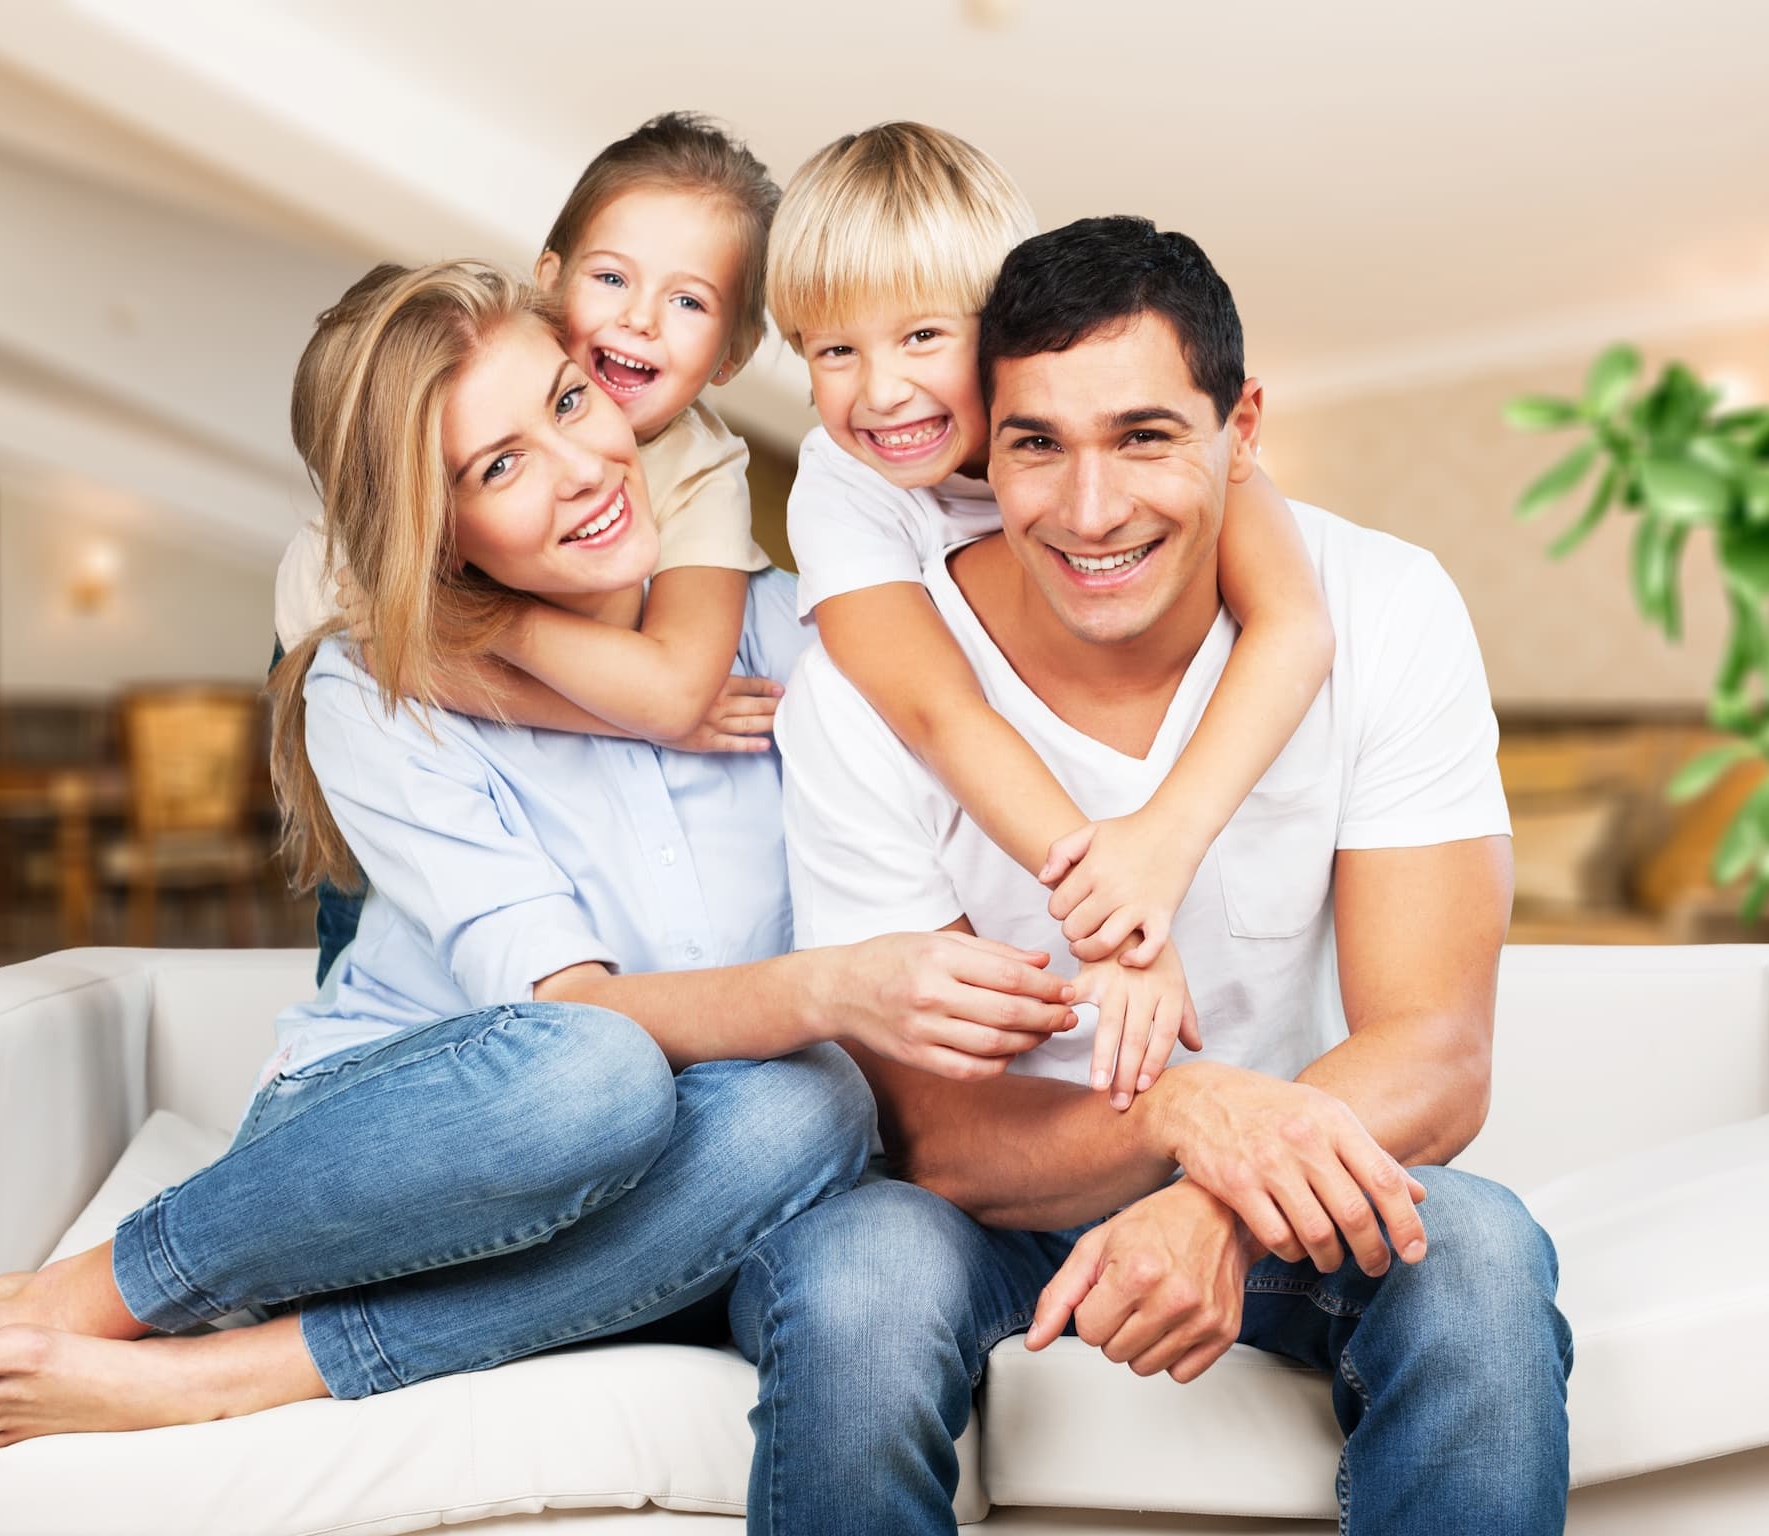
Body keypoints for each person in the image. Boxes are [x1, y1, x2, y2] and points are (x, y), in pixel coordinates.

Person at [0, 261, 1080, 1525]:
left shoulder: (805, 631)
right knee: (594, 1073)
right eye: (498, 468)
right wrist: (830, 989)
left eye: (570, 402)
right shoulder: (377, 690)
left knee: (812, 1107)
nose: (582, 469)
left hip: (684, 1187)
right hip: (401, 1152)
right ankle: (60, 1303)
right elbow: (581, 1015)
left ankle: (239, 1375)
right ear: (435, 526)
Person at [731, 217, 1573, 1535]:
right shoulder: (863, 693)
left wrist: (1218, 1202)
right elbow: (941, 1137)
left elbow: (1438, 1052)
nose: (1090, 510)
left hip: (1285, 1187)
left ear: (1242, 430)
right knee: (857, 1278)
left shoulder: (1383, 605)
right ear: (981, 445)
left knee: (1473, 1254)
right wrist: (1183, 1115)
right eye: (1037, 445)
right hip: (991, 1213)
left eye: (1143, 437)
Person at [766, 124, 1339, 1104]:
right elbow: (939, 711)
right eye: (835, 350)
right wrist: (1116, 920)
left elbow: (1295, 626)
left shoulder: (1147, 418)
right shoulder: (841, 489)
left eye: (922, 336)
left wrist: (1164, 842)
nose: (881, 390)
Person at [276, 111, 792, 982]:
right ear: (550, 283)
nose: (641, 320)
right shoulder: (372, 517)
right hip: (381, 700)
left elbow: (673, 692)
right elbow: (385, 665)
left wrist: (506, 631)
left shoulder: (702, 467)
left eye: (689, 301)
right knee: (368, 912)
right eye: (612, 277)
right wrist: (577, 681)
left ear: (732, 357)